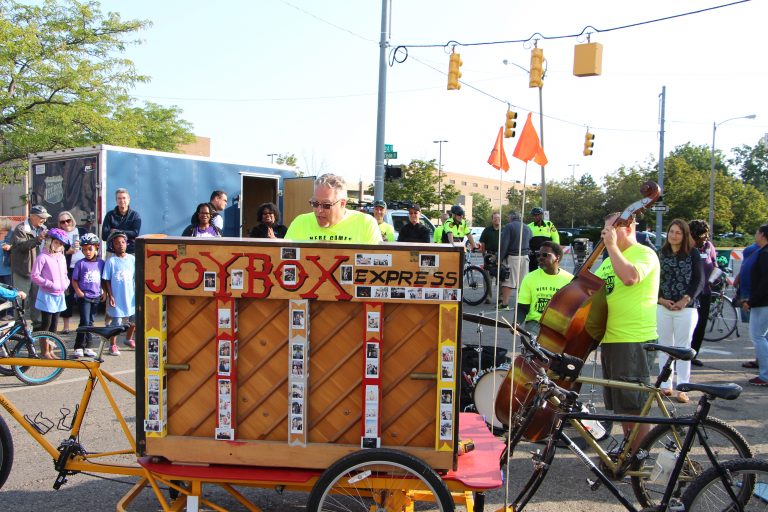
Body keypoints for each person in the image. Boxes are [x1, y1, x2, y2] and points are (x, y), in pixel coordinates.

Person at [595, 212, 660, 451]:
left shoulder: (645, 253)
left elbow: (630, 277)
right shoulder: (609, 258)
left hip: (633, 338)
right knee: (622, 405)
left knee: (634, 405)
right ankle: (629, 449)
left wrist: (611, 246)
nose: (606, 233)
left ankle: (639, 455)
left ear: (629, 227)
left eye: (612, 228)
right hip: (612, 338)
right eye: (605, 229)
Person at [656, 219, 704, 403]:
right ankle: (665, 385)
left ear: (684, 235)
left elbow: (699, 281)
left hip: (686, 308)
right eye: (671, 231)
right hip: (663, 306)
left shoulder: (692, 254)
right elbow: (654, 280)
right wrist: (661, 300)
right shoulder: (661, 254)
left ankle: (683, 387)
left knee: (683, 348)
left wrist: (685, 300)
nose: (674, 235)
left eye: (678, 232)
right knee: (665, 347)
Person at [285, 173, 380, 244]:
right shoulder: (300, 223)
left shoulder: (365, 224)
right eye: (315, 203)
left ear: (342, 203)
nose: (319, 210)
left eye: (326, 205)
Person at [517, 241, 574, 336]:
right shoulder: (529, 277)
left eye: (545, 255)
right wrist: (517, 322)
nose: (540, 258)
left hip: (559, 326)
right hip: (535, 323)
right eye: (538, 255)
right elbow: (523, 307)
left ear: (557, 258)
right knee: (533, 347)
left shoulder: (570, 280)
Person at [30, 229, 70, 355]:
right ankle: (44, 351)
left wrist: (66, 282)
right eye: (56, 242)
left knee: (54, 325)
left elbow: (64, 273)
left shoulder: (62, 257)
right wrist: (49, 284)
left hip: (59, 294)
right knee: (46, 325)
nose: (59, 246)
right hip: (47, 295)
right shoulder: (42, 257)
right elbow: (35, 276)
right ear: (50, 241)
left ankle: (51, 350)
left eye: (61, 244)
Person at [10, 205, 50, 326]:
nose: (44, 220)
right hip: (23, 271)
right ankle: (18, 326)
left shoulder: (43, 228)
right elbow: (22, 246)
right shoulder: (21, 229)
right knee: (21, 300)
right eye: (41, 217)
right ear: (32, 216)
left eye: (45, 218)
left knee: (37, 300)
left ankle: (37, 326)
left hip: (38, 272)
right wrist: (38, 239)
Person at [688, 219, 718, 366]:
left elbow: (714, 264)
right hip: (689, 293)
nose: (705, 238)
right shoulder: (685, 248)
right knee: (687, 325)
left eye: (707, 235)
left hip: (705, 292)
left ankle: (693, 354)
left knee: (701, 324)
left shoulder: (708, 246)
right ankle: (679, 354)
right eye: (702, 236)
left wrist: (715, 277)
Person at [102, 231, 136, 355]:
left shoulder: (132, 259)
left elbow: (136, 277)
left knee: (134, 320)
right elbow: (106, 280)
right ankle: (113, 345)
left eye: (123, 242)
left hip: (131, 296)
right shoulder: (111, 261)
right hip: (117, 296)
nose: (121, 245)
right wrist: (110, 295)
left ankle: (128, 338)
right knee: (116, 323)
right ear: (113, 245)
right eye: (117, 243)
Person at [72, 233, 105, 358]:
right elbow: (74, 280)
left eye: (90, 249)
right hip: (84, 297)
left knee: (91, 322)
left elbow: (104, 280)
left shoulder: (101, 263)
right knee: (84, 321)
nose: (87, 252)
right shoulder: (80, 263)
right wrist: (78, 292)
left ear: (96, 247)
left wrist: (105, 292)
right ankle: (78, 346)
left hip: (96, 296)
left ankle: (88, 346)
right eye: (84, 249)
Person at [743, 224, 768, 386]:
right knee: (762, 337)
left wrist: (751, 301)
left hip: (762, 302)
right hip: (761, 301)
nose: (755, 235)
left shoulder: (765, 254)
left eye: (757, 233)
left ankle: (765, 375)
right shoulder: (762, 252)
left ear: (763, 235)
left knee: (758, 336)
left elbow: (765, 282)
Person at [498, 211, 532, 310]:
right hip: (525, 257)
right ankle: (521, 304)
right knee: (523, 282)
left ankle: (505, 304)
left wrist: (500, 259)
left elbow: (504, 244)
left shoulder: (509, 227)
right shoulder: (527, 227)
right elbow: (531, 241)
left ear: (511, 217)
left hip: (513, 257)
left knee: (508, 281)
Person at [57, 211, 84, 334]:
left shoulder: (82, 231)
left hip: (83, 267)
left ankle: (85, 323)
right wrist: (68, 252)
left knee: (84, 295)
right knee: (67, 296)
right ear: (60, 224)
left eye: (68, 220)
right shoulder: (59, 235)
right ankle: (66, 326)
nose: (66, 223)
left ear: (72, 220)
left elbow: (94, 247)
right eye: (63, 222)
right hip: (67, 268)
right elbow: (54, 252)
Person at [736, 242, 760, 369]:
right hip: (748, 292)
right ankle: (759, 359)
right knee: (755, 331)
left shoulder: (763, 251)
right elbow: (745, 266)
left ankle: (762, 362)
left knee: (759, 333)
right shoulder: (753, 248)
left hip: (756, 295)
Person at [102, 188, 141, 255]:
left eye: (124, 198)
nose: (122, 200)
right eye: (119, 198)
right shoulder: (110, 215)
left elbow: (135, 233)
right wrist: (128, 233)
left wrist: (115, 231)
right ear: (116, 200)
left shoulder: (135, 215)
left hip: (130, 252)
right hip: (113, 252)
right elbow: (104, 235)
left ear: (128, 200)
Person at [527, 207, 560, 272]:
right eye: (533, 215)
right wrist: (528, 249)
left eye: (537, 215)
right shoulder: (529, 226)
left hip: (546, 254)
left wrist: (556, 250)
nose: (535, 217)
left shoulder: (549, 224)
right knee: (533, 271)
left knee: (547, 270)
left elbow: (555, 237)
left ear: (541, 215)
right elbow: (526, 240)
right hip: (533, 254)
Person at [479, 212, 502, 304]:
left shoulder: (504, 230)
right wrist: (484, 254)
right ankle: (488, 297)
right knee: (488, 277)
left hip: (501, 256)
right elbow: (483, 243)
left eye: (498, 218)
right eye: (495, 218)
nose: (497, 219)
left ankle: (501, 298)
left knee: (501, 277)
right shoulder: (487, 230)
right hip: (489, 255)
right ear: (492, 220)